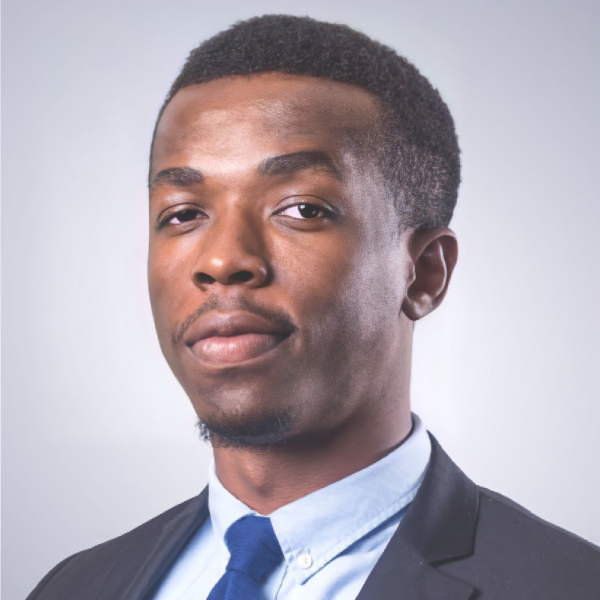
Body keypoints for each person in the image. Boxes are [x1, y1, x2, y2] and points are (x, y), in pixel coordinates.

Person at [26, 14, 599, 600]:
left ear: (424, 272)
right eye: (184, 214)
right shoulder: (74, 587)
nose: (222, 260)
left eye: (301, 209)